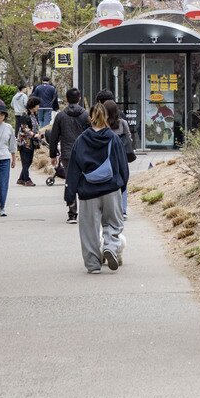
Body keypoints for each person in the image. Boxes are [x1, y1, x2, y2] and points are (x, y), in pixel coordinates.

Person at [66, 102, 129, 274]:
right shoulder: (113, 138)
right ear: (106, 117)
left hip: (88, 191)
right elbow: (123, 165)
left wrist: (70, 193)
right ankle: (110, 245)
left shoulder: (81, 140)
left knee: (89, 229)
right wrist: (122, 186)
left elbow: (73, 168)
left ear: (90, 117)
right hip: (111, 188)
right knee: (114, 223)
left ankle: (93, 265)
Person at [47, 87, 90, 224]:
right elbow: (91, 135)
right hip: (83, 153)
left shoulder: (61, 116)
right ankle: (87, 212)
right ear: (79, 99)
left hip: (67, 153)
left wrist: (53, 154)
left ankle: (72, 213)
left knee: (70, 181)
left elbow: (54, 137)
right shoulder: (85, 115)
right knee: (84, 181)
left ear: (66, 99)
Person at [95, 91, 136, 217]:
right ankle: (123, 210)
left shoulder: (101, 123)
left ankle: (107, 209)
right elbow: (129, 137)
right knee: (123, 181)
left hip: (105, 157)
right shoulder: (122, 122)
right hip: (121, 156)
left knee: (106, 181)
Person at [15, 96, 43, 187]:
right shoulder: (25, 115)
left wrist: (38, 134)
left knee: (29, 161)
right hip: (24, 142)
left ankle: (21, 179)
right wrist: (34, 134)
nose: (38, 107)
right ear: (33, 105)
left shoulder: (34, 115)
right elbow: (24, 128)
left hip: (31, 142)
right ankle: (26, 179)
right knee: (26, 161)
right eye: (37, 105)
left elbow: (36, 126)